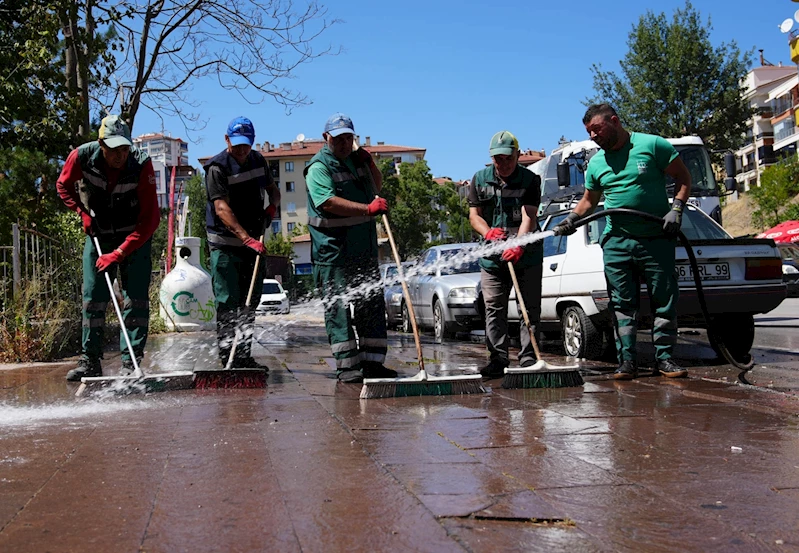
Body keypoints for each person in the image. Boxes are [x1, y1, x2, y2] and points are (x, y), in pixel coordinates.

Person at [553, 103, 692, 380]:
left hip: (655, 238)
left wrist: (676, 209)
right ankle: (626, 362)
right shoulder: (596, 162)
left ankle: (664, 360)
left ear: (614, 121)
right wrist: (571, 219)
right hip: (617, 242)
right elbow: (589, 201)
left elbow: (684, 178)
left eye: (596, 129)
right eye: (589, 132)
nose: (593, 136)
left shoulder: (652, 145)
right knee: (621, 305)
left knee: (664, 301)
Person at [56, 114, 160, 381]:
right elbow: (63, 186)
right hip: (99, 234)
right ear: (101, 144)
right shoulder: (81, 157)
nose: (120, 155)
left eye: (124, 148)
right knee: (93, 297)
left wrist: (121, 252)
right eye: (114, 149)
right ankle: (90, 361)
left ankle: (131, 363)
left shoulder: (141, 164)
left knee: (135, 298)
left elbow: (151, 218)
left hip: (135, 237)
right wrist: (82, 212)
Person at [304, 113, 397, 383]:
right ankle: (348, 367)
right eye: (339, 138)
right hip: (334, 251)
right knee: (339, 310)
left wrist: (369, 162)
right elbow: (327, 202)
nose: (344, 143)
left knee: (370, 304)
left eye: (348, 138)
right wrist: (368, 209)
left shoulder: (356, 162)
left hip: (362, 247)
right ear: (326, 138)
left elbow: (374, 187)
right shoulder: (319, 166)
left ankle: (373, 364)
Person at [204, 116, 281, 369]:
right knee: (228, 302)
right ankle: (227, 357)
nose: (240, 150)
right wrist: (246, 238)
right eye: (236, 144)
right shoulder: (217, 168)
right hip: (225, 244)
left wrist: (272, 208)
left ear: (252, 142)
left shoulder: (259, 161)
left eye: (245, 145)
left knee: (249, 303)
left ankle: (244, 356)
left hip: (253, 243)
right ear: (226, 140)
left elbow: (274, 190)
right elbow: (221, 208)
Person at [468, 131, 544, 380]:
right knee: (493, 307)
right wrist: (488, 232)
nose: (503, 164)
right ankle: (498, 359)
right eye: (497, 159)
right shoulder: (479, 179)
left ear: (517, 155)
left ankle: (529, 357)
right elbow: (474, 216)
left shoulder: (530, 180)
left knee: (528, 307)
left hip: (526, 255)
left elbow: (529, 215)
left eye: (508, 158)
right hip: (492, 258)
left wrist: (519, 245)